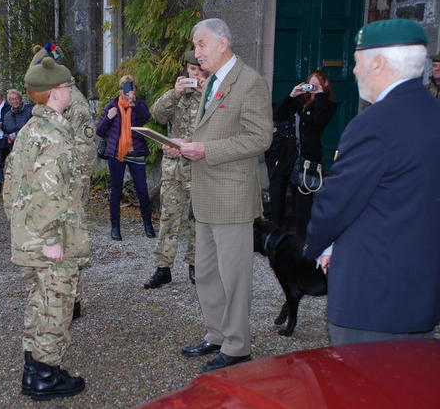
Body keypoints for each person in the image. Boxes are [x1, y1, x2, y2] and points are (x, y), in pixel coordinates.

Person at [304, 19, 440, 345]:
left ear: (378, 62)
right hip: (422, 292)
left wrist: (317, 244)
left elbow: (337, 201)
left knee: (361, 390)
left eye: (357, 60)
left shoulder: (374, 124)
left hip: (372, 295)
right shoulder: (433, 113)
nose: (353, 70)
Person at [167, 18, 272, 372]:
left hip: (233, 196)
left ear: (223, 43)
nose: (196, 52)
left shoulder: (251, 82)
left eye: (201, 44)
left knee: (234, 276)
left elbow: (260, 139)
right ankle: (216, 335)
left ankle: (238, 345)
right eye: (195, 45)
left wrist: (206, 150)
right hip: (206, 194)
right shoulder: (211, 81)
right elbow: (207, 133)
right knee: (208, 273)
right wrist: (182, 146)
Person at [3, 57, 86, 400]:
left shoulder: (28, 130)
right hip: (49, 238)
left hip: (28, 236)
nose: (71, 92)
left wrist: (20, 226)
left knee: (38, 300)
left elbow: (11, 186)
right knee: (56, 302)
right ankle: (45, 377)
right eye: (68, 87)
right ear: (54, 93)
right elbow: (51, 192)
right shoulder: (53, 134)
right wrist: (51, 238)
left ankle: (33, 367)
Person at [18, 42, 97, 319]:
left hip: (69, 187)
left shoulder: (73, 102)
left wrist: (74, 193)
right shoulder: (48, 106)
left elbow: (85, 150)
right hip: (55, 185)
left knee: (68, 245)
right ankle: (59, 297)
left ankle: (72, 298)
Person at [143, 51, 208, 289]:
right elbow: (157, 115)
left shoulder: (213, 95)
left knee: (198, 220)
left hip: (200, 169)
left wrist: (204, 94)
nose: (196, 75)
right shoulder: (177, 94)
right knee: (168, 219)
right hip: (174, 168)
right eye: (192, 70)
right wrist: (175, 92)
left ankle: (195, 265)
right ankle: (163, 268)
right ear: (186, 70)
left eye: (200, 70)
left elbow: (222, 123)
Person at [269, 70, 337, 239]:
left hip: (308, 160)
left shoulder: (327, 105)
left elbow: (319, 121)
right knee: (277, 199)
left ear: (324, 86)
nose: (311, 88)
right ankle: (276, 238)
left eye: (316, 85)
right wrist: (292, 95)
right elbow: (278, 115)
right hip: (287, 157)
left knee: (303, 205)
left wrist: (319, 95)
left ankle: (302, 241)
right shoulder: (298, 102)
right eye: (310, 84)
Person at [96, 75, 155, 241]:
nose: (127, 91)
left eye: (131, 87)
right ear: (119, 89)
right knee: (116, 190)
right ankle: (115, 227)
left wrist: (134, 104)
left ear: (135, 89)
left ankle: (148, 224)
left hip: (136, 152)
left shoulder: (138, 105)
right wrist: (109, 118)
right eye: (124, 87)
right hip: (117, 153)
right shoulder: (111, 106)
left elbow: (146, 117)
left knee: (142, 189)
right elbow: (100, 131)